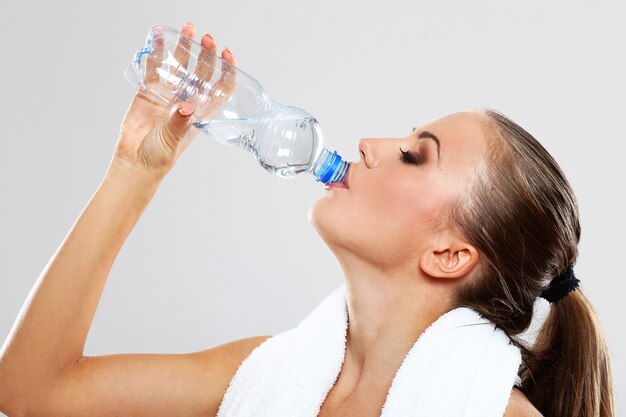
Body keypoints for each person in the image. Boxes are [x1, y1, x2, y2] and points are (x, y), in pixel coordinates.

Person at [0, 21, 614, 417]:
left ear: (449, 254)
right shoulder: (265, 377)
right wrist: (135, 170)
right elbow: (30, 392)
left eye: (414, 154)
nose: (371, 142)